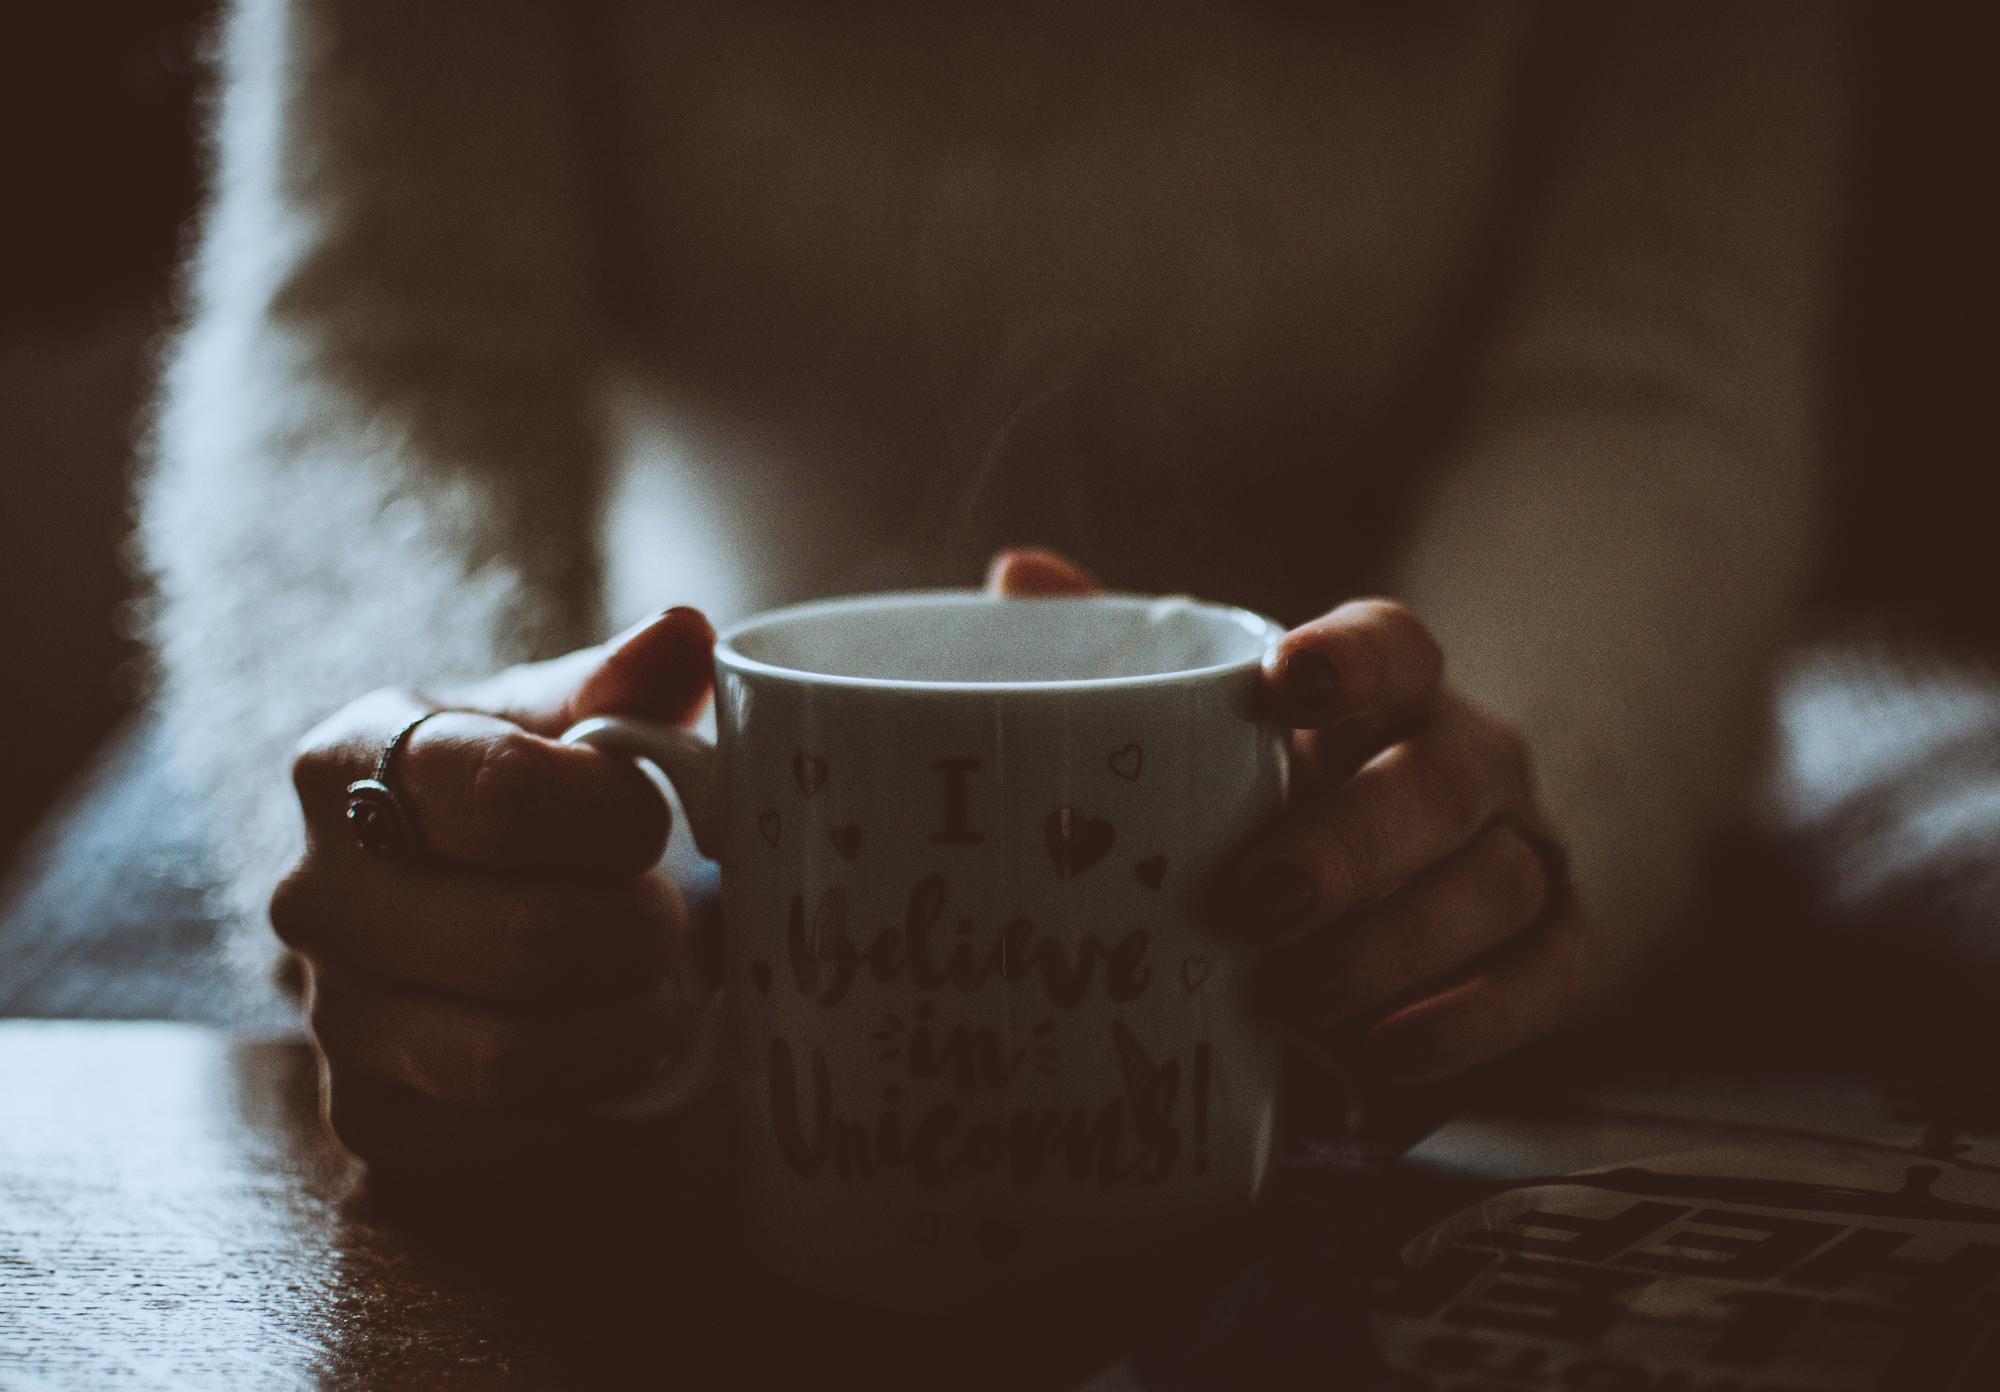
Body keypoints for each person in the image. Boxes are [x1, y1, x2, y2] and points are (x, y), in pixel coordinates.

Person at [138, 2, 1845, 1167]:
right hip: (689, 770)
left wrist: (1483, 825)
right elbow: (382, 339)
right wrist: (440, 812)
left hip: (1455, 752)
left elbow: (1649, 391)